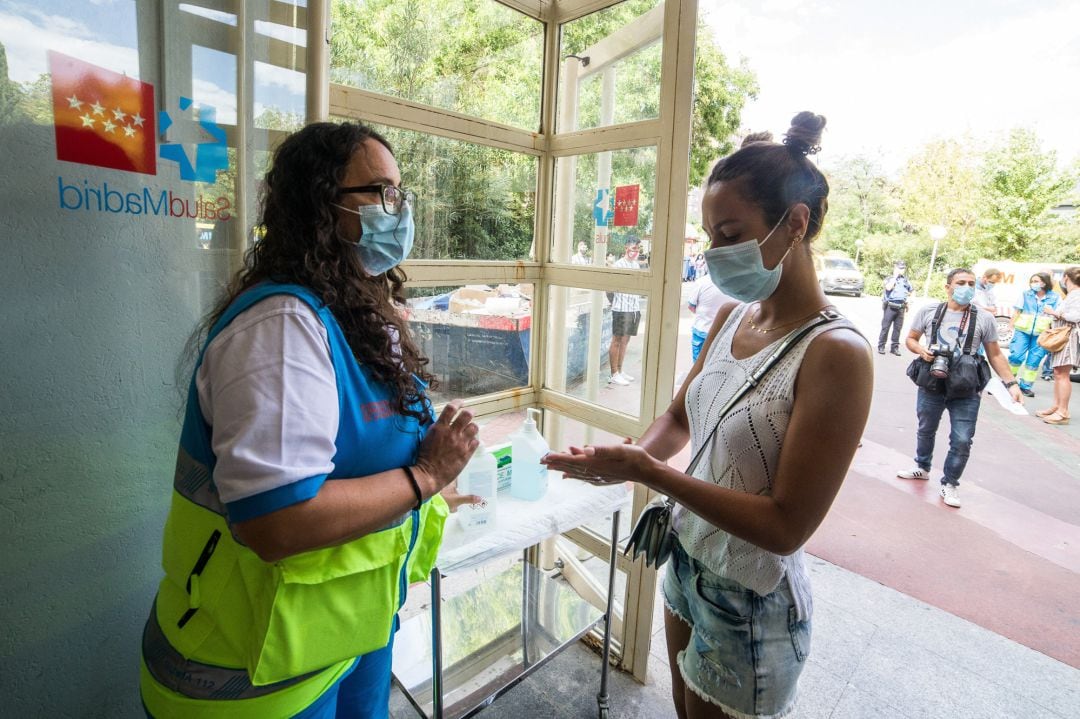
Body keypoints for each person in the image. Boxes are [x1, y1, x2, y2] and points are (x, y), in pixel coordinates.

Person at [140, 122, 481, 719]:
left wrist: (431, 488)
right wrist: (425, 477)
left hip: (341, 635)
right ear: (319, 206)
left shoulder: (356, 310)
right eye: (378, 192)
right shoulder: (280, 326)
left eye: (399, 194)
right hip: (248, 676)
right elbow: (277, 521)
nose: (395, 211)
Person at [544, 112, 874, 719]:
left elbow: (785, 527)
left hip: (751, 595)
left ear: (794, 224)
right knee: (683, 707)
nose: (715, 253)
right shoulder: (733, 318)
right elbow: (679, 417)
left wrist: (649, 473)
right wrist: (627, 459)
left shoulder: (835, 354)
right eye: (710, 236)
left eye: (729, 233)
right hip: (688, 558)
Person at [897, 268, 1023, 508]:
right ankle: (922, 466)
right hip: (932, 383)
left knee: (962, 439)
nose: (967, 287)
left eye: (971, 283)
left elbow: (995, 354)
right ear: (948, 287)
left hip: (966, 387)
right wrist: (921, 350)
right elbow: (911, 339)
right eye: (961, 282)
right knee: (926, 428)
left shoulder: (984, 318)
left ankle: (951, 482)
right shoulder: (929, 311)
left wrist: (1012, 384)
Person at [1036, 266, 1080, 425]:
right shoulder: (1072, 295)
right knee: (1058, 372)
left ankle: (1063, 411)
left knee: (1062, 374)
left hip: (1068, 337)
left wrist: (1053, 313)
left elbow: (1075, 316)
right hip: (1064, 337)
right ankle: (1057, 406)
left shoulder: (1077, 295)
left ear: (1067, 277)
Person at [1008, 272, 1060, 397]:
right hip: (1022, 331)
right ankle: (1008, 382)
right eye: (1033, 281)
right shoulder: (1026, 294)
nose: (1034, 284)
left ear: (1045, 282)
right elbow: (1017, 311)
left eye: (1037, 281)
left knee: (1034, 361)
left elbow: (1058, 314)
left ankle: (1025, 386)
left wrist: (1052, 313)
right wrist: (1010, 326)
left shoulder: (1055, 297)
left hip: (1042, 333)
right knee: (1016, 356)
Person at [608, 239, 642, 386]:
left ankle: (620, 371)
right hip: (621, 309)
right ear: (626, 248)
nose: (635, 251)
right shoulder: (618, 265)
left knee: (625, 341)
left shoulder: (635, 265)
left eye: (638, 249)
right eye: (633, 248)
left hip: (634, 309)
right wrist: (614, 303)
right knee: (617, 340)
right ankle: (614, 373)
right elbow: (609, 289)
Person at [687, 267, 730, 361]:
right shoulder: (735, 283)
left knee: (698, 367)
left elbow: (691, 306)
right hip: (726, 334)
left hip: (702, 331)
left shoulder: (701, 282)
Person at [878, 260, 913, 355]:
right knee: (885, 328)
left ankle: (894, 348)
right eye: (900, 268)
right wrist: (895, 276)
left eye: (903, 268)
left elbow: (911, 291)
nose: (902, 270)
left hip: (901, 307)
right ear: (895, 268)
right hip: (890, 306)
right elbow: (888, 288)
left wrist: (909, 302)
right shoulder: (890, 278)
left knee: (897, 329)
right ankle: (881, 346)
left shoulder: (905, 280)